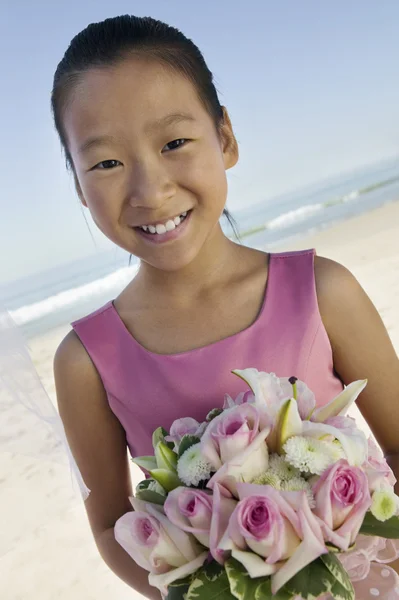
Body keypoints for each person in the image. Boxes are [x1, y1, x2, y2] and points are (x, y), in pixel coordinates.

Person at [51, 14, 399, 600]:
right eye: (106, 163)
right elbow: (113, 526)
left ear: (226, 138)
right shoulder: (85, 361)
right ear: (80, 188)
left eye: (174, 143)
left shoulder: (323, 291)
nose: (150, 189)